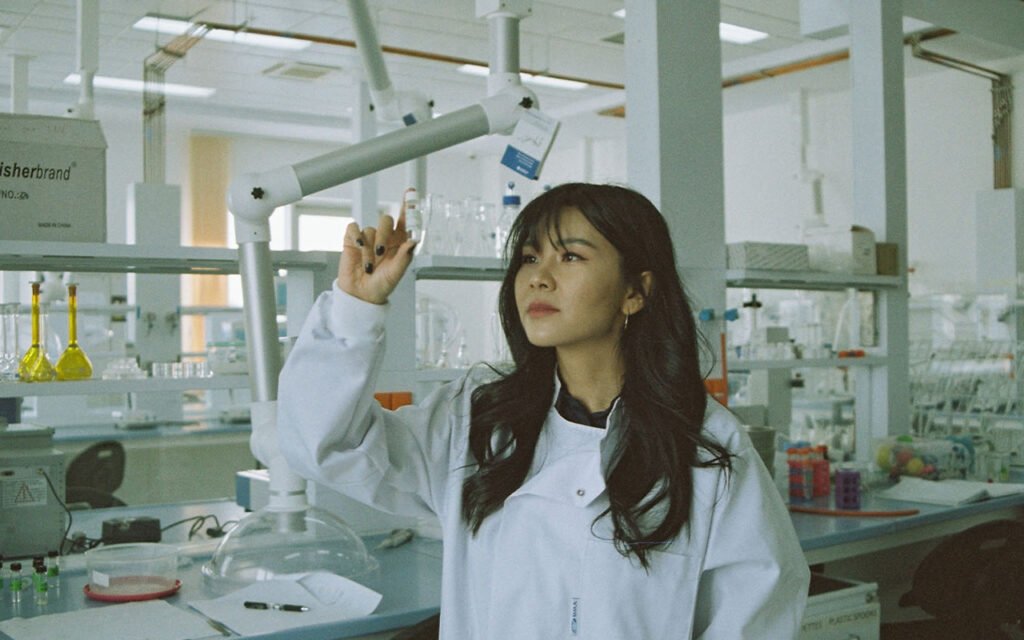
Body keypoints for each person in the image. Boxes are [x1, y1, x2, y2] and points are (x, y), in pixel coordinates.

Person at [278, 182, 810, 639]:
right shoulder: (478, 419)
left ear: (635, 291)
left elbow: (754, 616)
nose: (539, 277)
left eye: (570, 257)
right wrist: (354, 309)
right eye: (530, 258)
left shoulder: (704, 444)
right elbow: (326, 446)